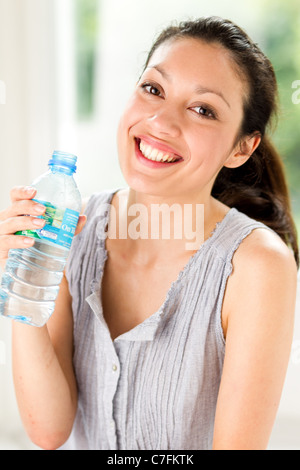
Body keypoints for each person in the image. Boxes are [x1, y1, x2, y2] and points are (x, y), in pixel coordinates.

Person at [0, 16, 298, 451]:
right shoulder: (72, 229)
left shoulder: (256, 267)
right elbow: (49, 430)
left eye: (203, 110)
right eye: (153, 89)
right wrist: (24, 275)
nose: (161, 121)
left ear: (242, 148)